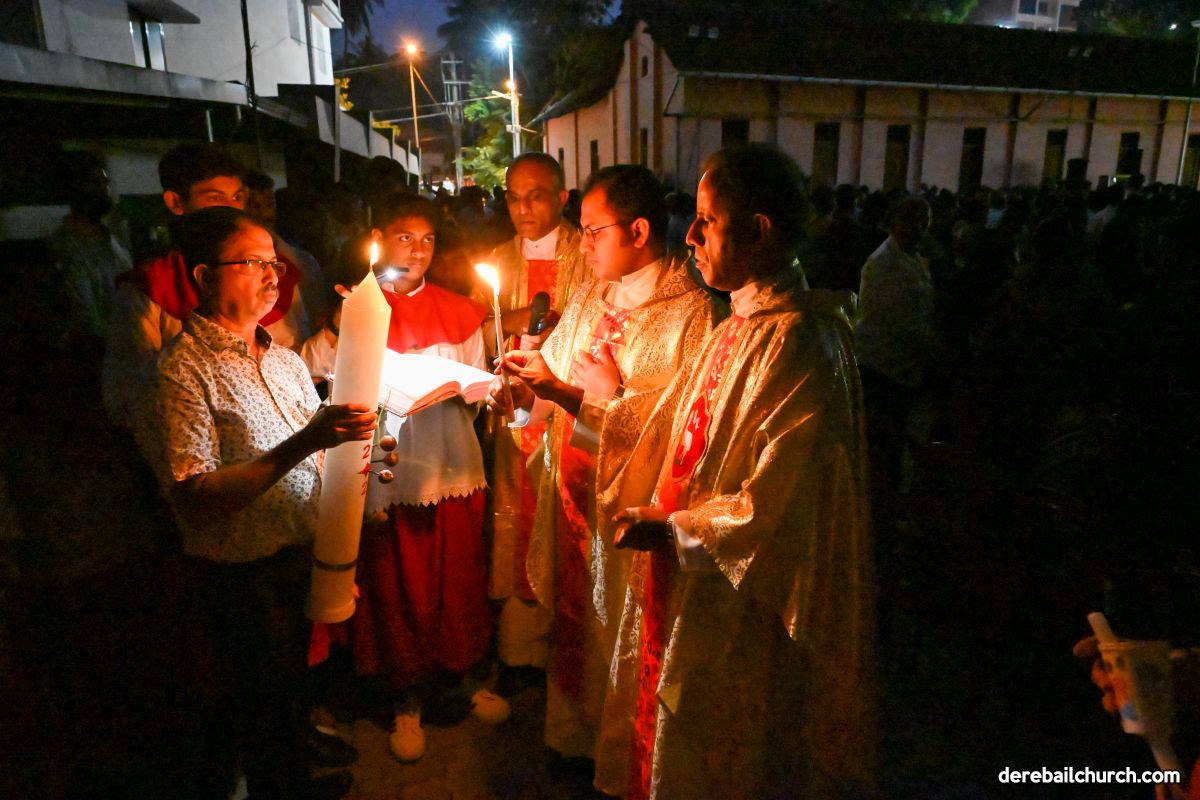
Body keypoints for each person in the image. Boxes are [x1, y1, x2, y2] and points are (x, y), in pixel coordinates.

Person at [590, 144, 875, 799]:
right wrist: (595, 402)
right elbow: (671, 426)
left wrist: (674, 531)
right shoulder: (736, 325)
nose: (688, 235)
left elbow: (785, 502)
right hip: (691, 574)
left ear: (759, 230)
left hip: (742, 597)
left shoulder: (801, 340)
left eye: (707, 220)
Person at [486, 165, 714, 768]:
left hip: (626, 511)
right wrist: (523, 394)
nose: (581, 245)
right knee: (575, 620)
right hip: (571, 491)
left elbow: (680, 435)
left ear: (638, 230)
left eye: (593, 231)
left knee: (616, 629)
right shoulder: (592, 291)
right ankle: (570, 739)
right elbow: (555, 378)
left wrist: (601, 399)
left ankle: (616, 757)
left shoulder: (691, 314)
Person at [154, 205, 375, 799]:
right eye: (252, 262)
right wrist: (305, 443)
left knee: (292, 698)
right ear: (205, 276)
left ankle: (293, 784)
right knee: (258, 712)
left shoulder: (282, 358)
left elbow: (321, 453)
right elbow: (196, 496)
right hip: (241, 578)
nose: (273, 275)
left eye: (273, 261)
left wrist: (360, 456)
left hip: (299, 558)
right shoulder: (182, 370)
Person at [331, 196, 501, 763]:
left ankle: (462, 678)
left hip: (450, 459)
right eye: (406, 237)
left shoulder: (460, 311)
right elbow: (333, 382)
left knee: (456, 578)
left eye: (428, 239)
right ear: (380, 239)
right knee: (396, 583)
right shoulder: (356, 310)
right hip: (389, 470)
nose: (419, 250)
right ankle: (405, 698)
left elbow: (476, 390)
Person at [103, 144, 309, 463]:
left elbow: (300, 364)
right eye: (214, 198)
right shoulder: (148, 294)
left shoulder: (280, 276)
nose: (231, 209)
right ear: (176, 202)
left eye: (238, 197)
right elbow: (131, 400)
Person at [486, 153, 589, 693]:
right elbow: (483, 327)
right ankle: (517, 651)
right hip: (514, 409)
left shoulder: (588, 251)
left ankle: (561, 650)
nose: (523, 208)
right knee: (516, 514)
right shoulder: (499, 259)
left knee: (561, 519)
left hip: (565, 407)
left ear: (562, 198)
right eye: (513, 197)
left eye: (536, 196)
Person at [854, 196, 936, 550]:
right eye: (913, 222)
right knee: (882, 443)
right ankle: (876, 517)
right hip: (882, 365)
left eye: (924, 223)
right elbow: (891, 321)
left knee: (893, 439)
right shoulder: (883, 263)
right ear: (896, 222)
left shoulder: (911, 258)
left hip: (902, 366)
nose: (919, 230)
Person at [48, 150, 132, 339]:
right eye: (95, 184)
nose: (104, 191)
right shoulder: (62, 250)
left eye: (105, 183)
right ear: (74, 190)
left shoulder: (116, 242)